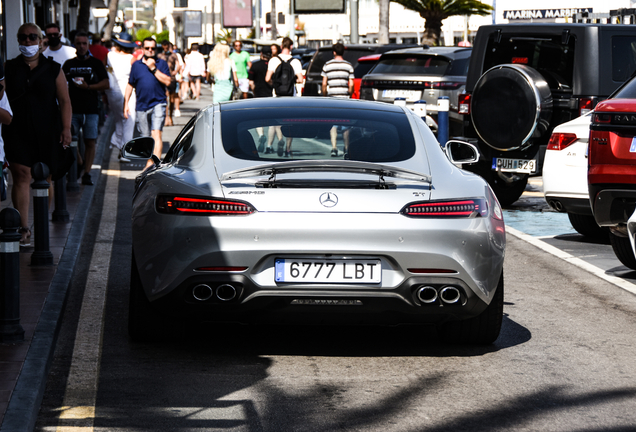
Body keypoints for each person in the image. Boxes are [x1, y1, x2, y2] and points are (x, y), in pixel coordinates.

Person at [4, 23, 72, 245]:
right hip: (17, 130)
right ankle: (23, 227)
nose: (27, 41)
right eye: (22, 38)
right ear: (17, 40)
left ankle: (41, 220)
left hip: (47, 131)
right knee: (22, 175)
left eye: (32, 37)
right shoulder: (9, 68)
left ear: (41, 41)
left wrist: (66, 128)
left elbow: (64, 101)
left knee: (45, 177)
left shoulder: (54, 69)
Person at [63, 31, 110, 185]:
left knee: (90, 142)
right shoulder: (69, 64)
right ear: (74, 45)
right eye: (79, 44)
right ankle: (79, 161)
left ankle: (87, 173)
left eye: (84, 43)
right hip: (72, 109)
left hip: (91, 110)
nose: (82, 46)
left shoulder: (96, 63)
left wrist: (88, 86)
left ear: (88, 44)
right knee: (68, 139)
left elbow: (106, 83)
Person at [124, 37, 171, 169]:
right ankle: (150, 160)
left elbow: (167, 81)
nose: (150, 50)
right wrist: (126, 104)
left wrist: (153, 68)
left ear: (156, 49)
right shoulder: (136, 66)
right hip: (142, 105)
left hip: (158, 103)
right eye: (147, 48)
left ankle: (152, 164)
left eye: (153, 48)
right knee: (145, 137)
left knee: (156, 133)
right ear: (142, 49)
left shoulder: (161, 63)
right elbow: (130, 85)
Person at [265, 37, 303, 157]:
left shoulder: (273, 60)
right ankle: (288, 149)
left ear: (281, 46)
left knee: (276, 121)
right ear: (291, 47)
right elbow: (301, 79)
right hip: (291, 96)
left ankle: (278, 139)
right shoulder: (295, 61)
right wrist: (291, 81)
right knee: (289, 123)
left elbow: (267, 78)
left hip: (277, 95)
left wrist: (275, 84)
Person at [105, 32, 137, 161]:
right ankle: (125, 151)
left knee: (119, 119)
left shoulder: (109, 55)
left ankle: (116, 142)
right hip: (127, 92)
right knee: (129, 121)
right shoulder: (131, 58)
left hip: (111, 92)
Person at [321, 42, 354, 157]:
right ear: (343, 52)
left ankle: (334, 148)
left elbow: (324, 83)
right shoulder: (348, 65)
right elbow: (351, 84)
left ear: (334, 52)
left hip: (332, 99)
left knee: (333, 125)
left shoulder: (327, 65)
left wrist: (325, 95)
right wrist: (349, 94)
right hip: (344, 99)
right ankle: (346, 148)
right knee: (345, 125)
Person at [248, 46, 273, 151]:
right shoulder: (273, 66)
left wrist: (254, 92)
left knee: (259, 119)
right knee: (272, 121)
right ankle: (269, 145)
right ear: (271, 54)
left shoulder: (255, 65)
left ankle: (260, 134)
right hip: (271, 95)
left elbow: (251, 82)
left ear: (261, 54)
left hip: (258, 94)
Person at [158, 40, 181, 126]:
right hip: (163, 78)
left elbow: (178, 64)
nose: (165, 47)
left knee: (171, 99)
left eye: (167, 45)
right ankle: (166, 117)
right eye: (164, 45)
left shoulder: (173, 55)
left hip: (172, 78)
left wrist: (176, 71)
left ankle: (170, 116)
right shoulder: (160, 55)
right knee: (165, 97)